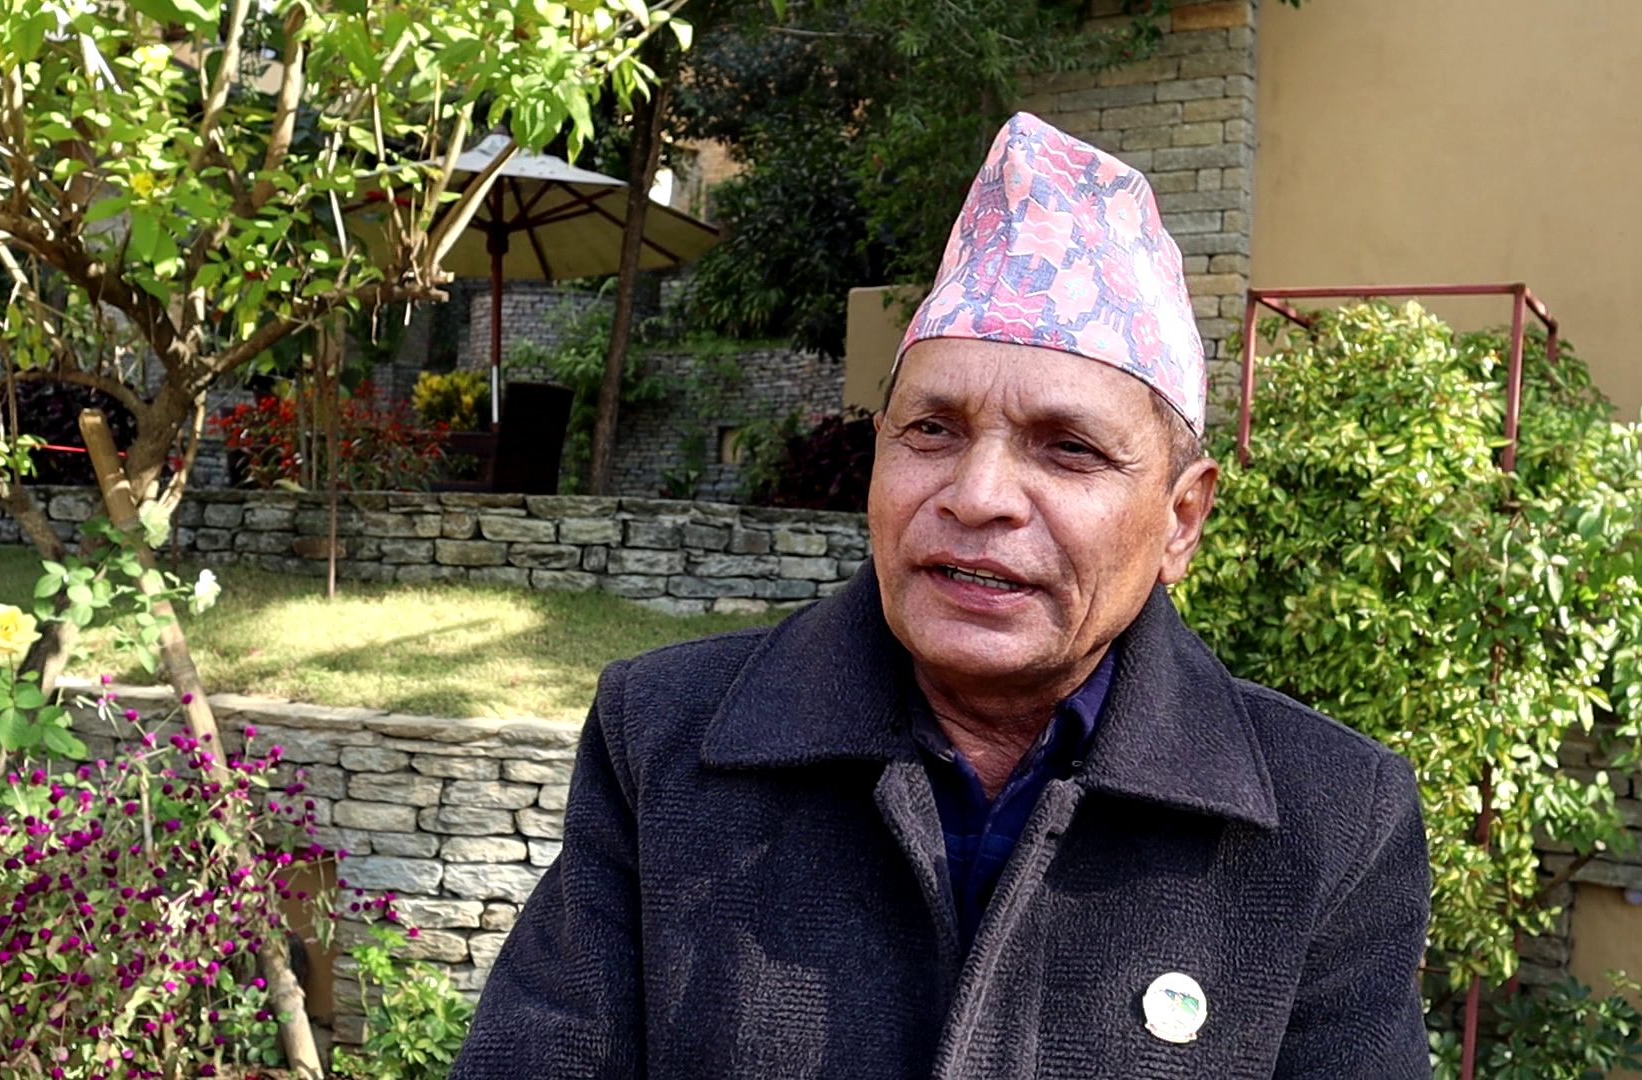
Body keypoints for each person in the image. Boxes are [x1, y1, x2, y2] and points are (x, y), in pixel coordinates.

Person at [451, 112, 1432, 1079]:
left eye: (1069, 448)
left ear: (1181, 519)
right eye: (932, 430)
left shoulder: (1333, 818)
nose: (978, 495)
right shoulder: (666, 739)